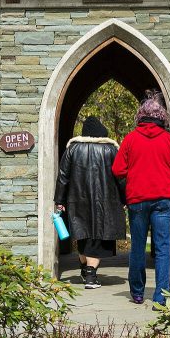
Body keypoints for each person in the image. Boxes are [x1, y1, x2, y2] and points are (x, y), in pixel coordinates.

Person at [112, 90, 170, 307]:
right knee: (163, 248)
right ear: (162, 117)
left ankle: (137, 293)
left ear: (140, 117)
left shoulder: (131, 139)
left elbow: (117, 169)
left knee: (137, 246)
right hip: (163, 200)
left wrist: (131, 184)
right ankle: (161, 296)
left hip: (137, 199)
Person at [54, 116, 126, 289]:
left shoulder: (72, 149)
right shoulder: (111, 150)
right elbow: (121, 177)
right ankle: (91, 277)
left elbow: (63, 176)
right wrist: (125, 198)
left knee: (83, 237)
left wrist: (59, 200)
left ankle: (86, 269)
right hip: (106, 203)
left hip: (78, 201)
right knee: (98, 239)